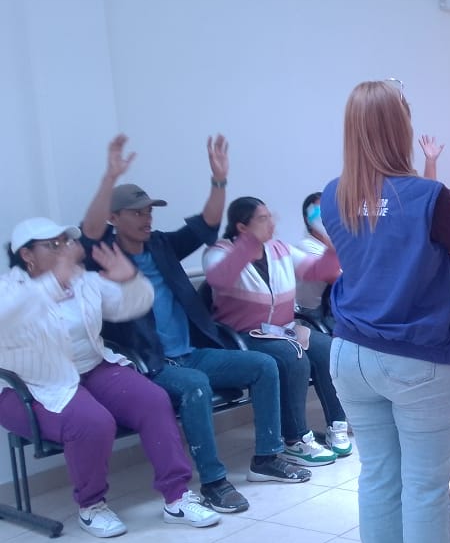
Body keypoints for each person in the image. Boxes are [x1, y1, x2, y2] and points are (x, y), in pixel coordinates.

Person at [320, 78, 450, 543]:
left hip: (350, 352)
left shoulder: (332, 195)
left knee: (377, 478)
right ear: (402, 129)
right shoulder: (428, 196)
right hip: (420, 356)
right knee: (424, 486)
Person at [81, 136, 307, 515]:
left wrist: (219, 181)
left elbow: (207, 226)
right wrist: (109, 177)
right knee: (195, 386)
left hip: (192, 352)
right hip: (150, 363)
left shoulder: (161, 245)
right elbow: (88, 231)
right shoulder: (103, 254)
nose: (147, 218)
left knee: (264, 365)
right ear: (114, 218)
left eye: (149, 211)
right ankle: (214, 481)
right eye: (136, 213)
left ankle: (267, 458)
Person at [1, 218, 220, 537]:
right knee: (93, 422)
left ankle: (177, 496)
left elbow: (133, 305)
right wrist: (53, 282)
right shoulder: (9, 290)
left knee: (153, 400)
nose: (64, 250)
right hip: (33, 385)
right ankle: (91, 506)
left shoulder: (80, 280)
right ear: (27, 255)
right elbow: (12, 315)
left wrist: (129, 279)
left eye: (65, 242)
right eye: (53, 245)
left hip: (93, 368)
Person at [203, 197, 349, 464]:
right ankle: (295, 439)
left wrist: (331, 248)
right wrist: (248, 245)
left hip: (284, 330)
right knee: (294, 356)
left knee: (328, 349)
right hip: (244, 336)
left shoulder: (279, 249)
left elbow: (317, 271)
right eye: (263, 219)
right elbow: (218, 277)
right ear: (242, 227)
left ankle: (336, 425)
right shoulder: (219, 252)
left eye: (270, 217)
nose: (271, 223)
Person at [296, 192, 334, 329]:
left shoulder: (344, 241)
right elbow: (337, 278)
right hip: (317, 314)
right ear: (308, 219)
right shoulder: (306, 246)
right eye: (320, 212)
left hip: (340, 308)